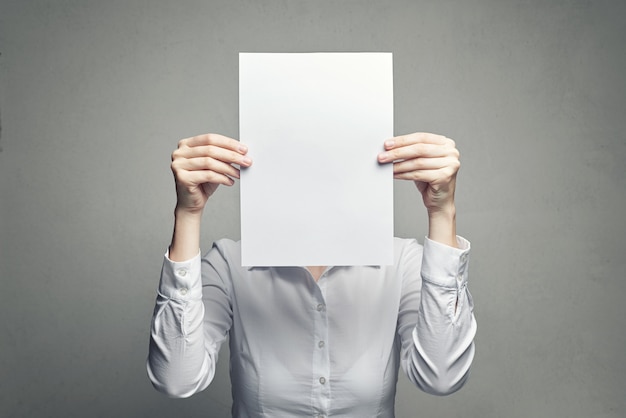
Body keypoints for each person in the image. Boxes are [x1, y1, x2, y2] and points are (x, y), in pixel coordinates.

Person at [148, 132, 477, 417]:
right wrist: (188, 213)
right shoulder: (231, 263)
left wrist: (442, 211)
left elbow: (441, 376)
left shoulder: (401, 261)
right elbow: (177, 378)